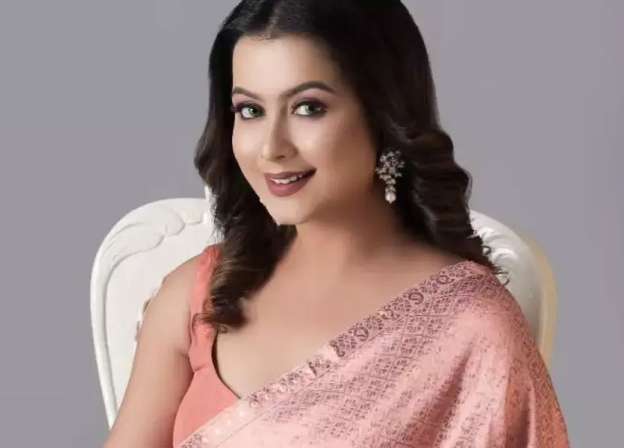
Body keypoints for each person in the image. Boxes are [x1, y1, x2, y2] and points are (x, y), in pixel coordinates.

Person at [105, 1, 570, 447]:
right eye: (250, 110)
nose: (271, 148)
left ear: (383, 115)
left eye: (308, 107)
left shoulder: (470, 327)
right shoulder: (198, 297)